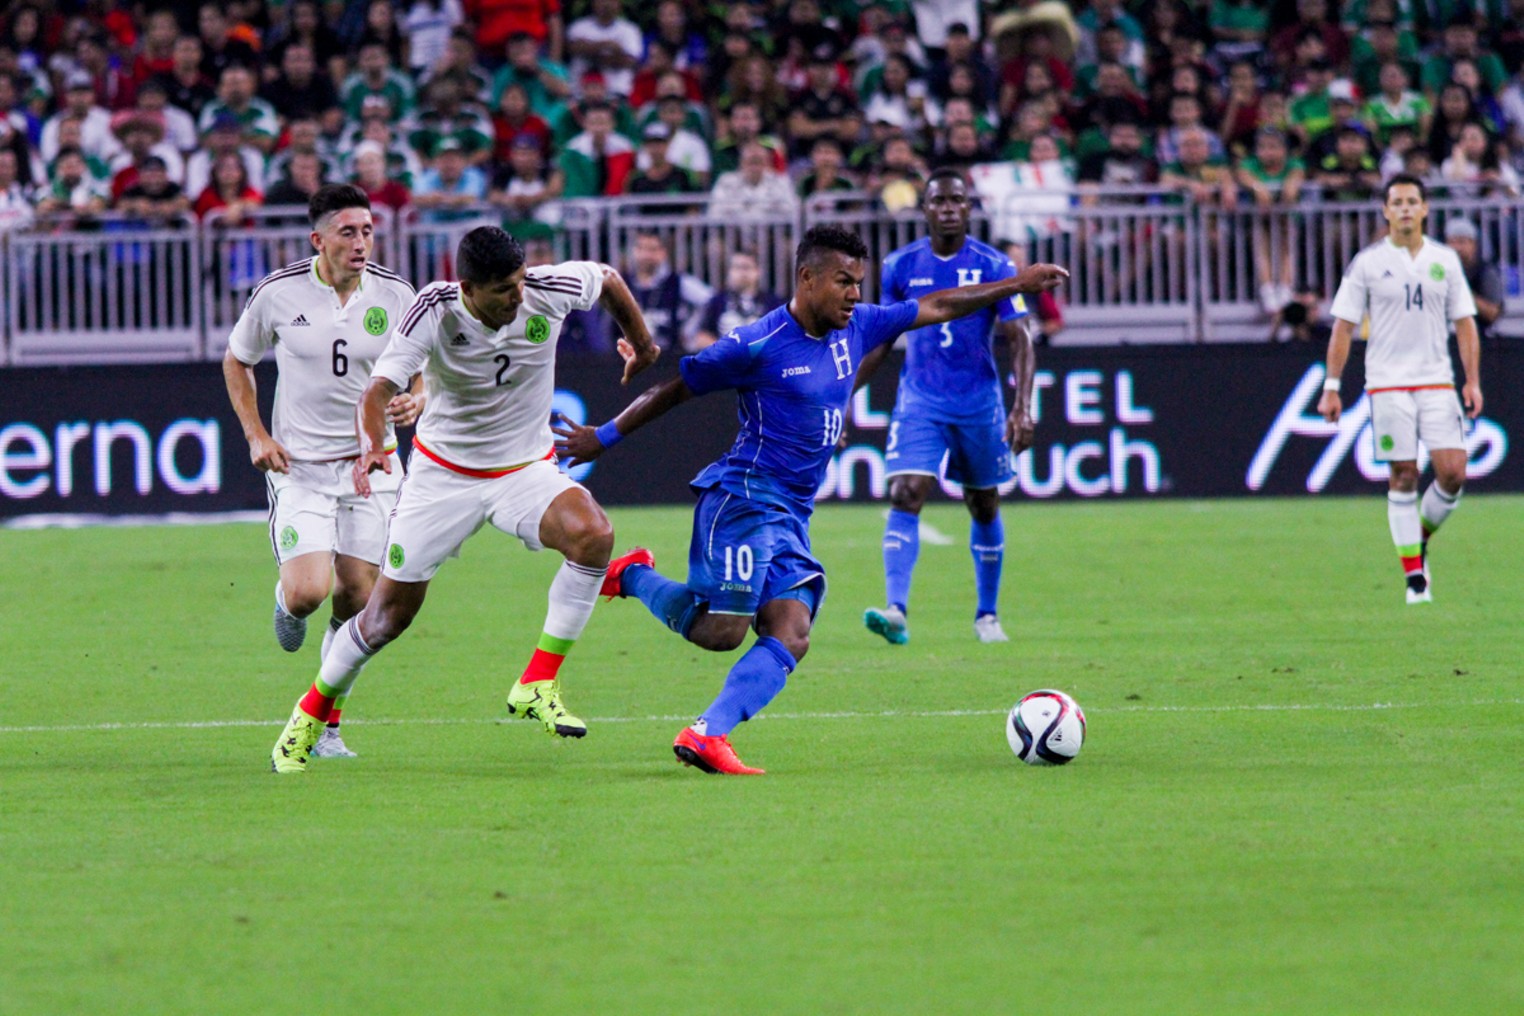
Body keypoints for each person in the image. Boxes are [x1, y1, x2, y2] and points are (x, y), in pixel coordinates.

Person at [553, 225, 1067, 775]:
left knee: (792, 632)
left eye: (859, 282)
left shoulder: (861, 324)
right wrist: (603, 437)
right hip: (745, 498)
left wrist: (1018, 281)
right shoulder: (756, 343)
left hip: (794, 511)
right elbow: (676, 387)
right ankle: (631, 575)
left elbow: (940, 303)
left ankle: (707, 734)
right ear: (807, 278)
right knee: (720, 632)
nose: (854, 293)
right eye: (843, 281)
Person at [270, 226, 660, 773]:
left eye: (519, 283)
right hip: (443, 480)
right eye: (503, 289)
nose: (517, 297)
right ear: (468, 288)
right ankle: (307, 718)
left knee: (593, 534)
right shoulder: (434, 309)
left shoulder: (548, 289)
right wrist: (371, 449)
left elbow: (611, 280)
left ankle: (538, 681)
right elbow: (376, 392)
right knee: (385, 619)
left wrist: (642, 345)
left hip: (524, 469)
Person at [225, 185, 422, 759]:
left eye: (367, 230)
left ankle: (326, 726)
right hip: (301, 467)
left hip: (373, 463)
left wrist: (419, 400)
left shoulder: (397, 293)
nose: (361, 242)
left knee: (360, 599)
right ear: (319, 239)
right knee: (312, 592)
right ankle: (287, 604)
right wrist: (256, 436)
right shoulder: (278, 293)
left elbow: (422, 366)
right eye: (348, 232)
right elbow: (237, 359)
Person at [852, 170, 1037, 646]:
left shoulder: (995, 266)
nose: (949, 208)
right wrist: (842, 398)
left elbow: (1020, 336)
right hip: (921, 399)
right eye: (940, 201)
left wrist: (1023, 406)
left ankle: (987, 615)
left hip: (978, 402)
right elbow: (880, 341)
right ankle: (896, 610)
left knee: (983, 502)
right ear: (926, 208)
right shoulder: (899, 266)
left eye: (958, 200)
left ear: (969, 208)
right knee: (906, 492)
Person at [1319, 174, 1482, 605]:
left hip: (1436, 381)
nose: (1406, 208)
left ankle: (1417, 539)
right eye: (1398, 202)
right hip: (1388, 384)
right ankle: (1415, 581)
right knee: (1404, 474)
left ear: (1425, 209)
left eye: (1413, 201)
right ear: (1386, 211)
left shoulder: (1445, 260)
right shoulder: (1368, 263)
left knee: (1453, 472)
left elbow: (1465, 324)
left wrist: (1473, 380)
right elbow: (1343, 327)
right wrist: (1331, 387)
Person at [1443, 217, 1505, 341]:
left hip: (1479, 336)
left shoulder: (1486, 272)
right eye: (1452, 242)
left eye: (1462, 242)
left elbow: (1492, 313)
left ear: (1474, 244)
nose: (1457, 248)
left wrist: (1463, 293)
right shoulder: (1439, 270)